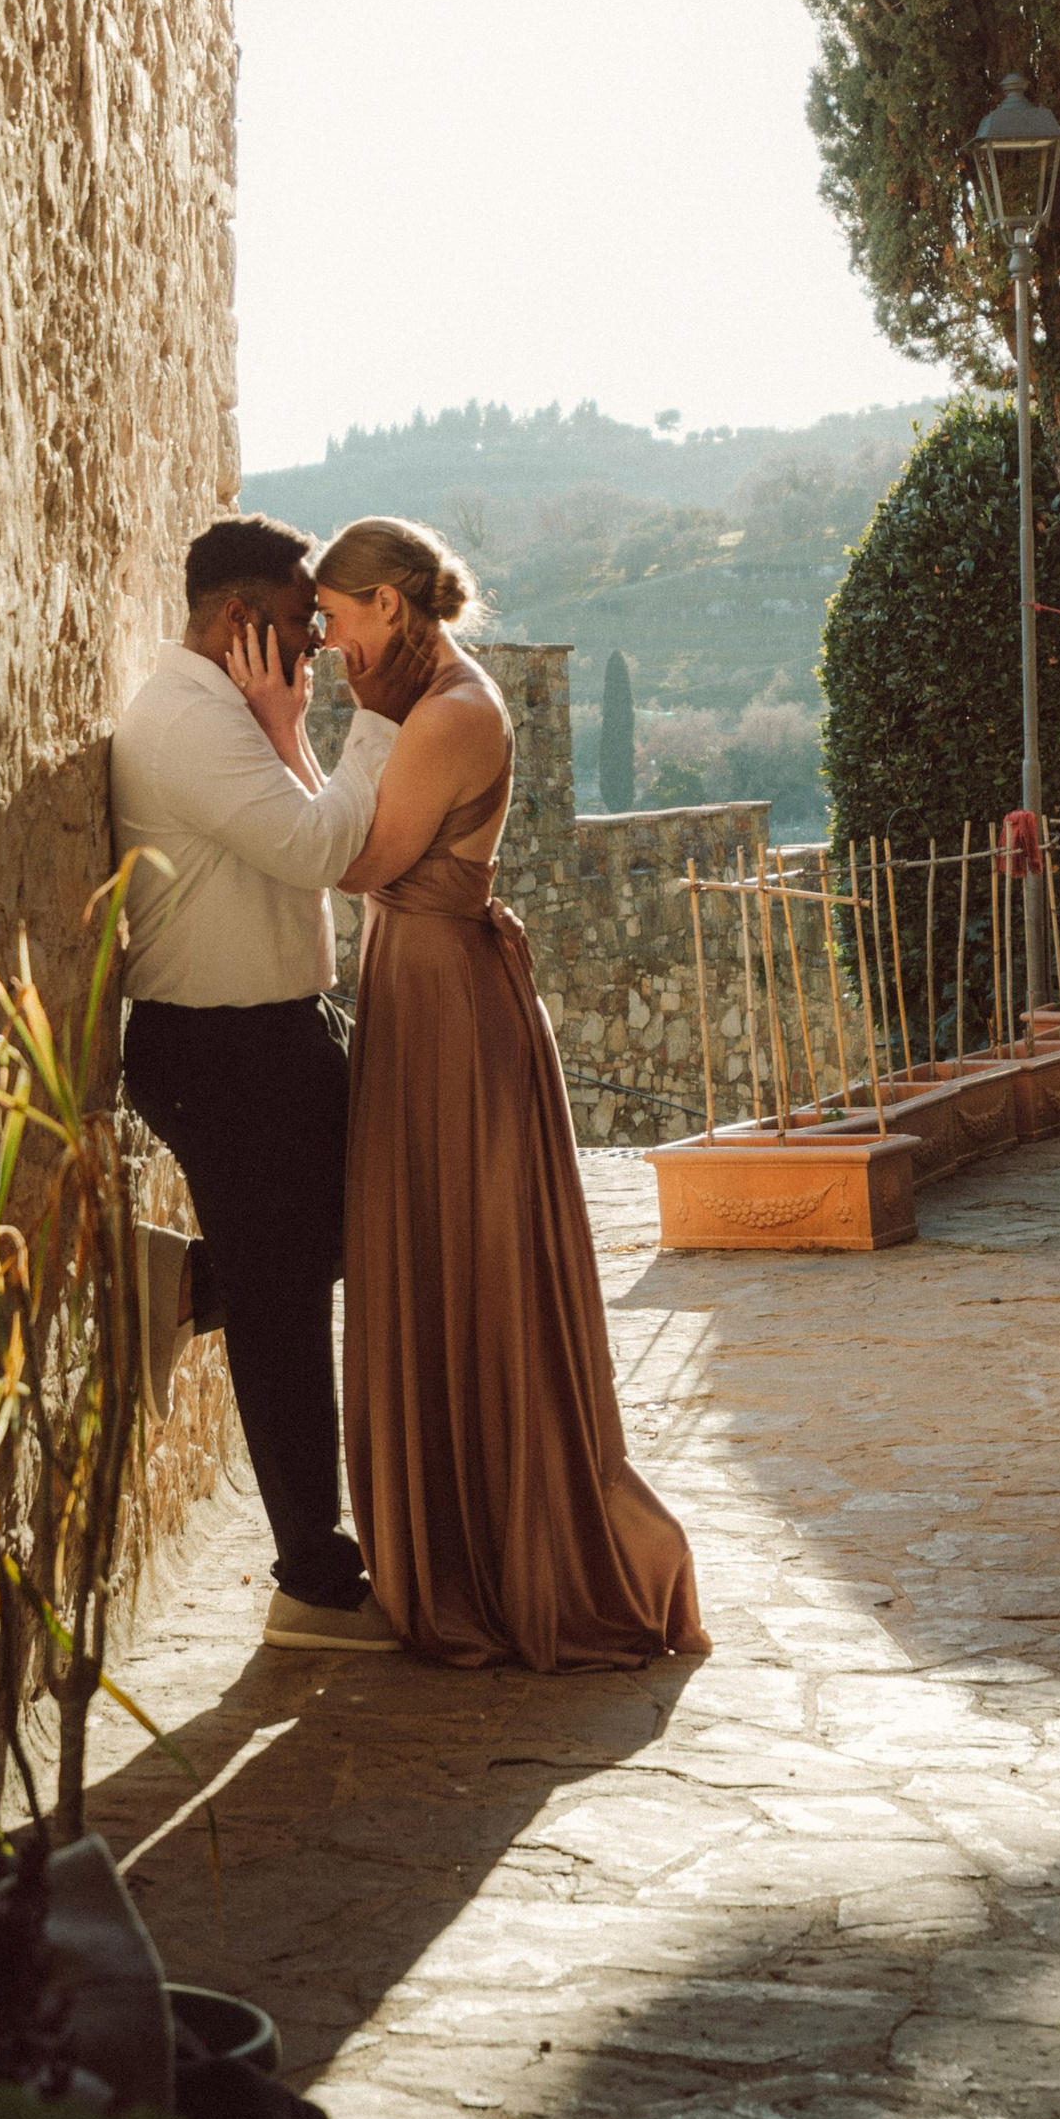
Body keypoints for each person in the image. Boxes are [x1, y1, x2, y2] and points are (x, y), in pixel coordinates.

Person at [230, 513, 707, 1673]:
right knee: (429, 1255)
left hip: (448, 1004)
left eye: (333, 621)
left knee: (465, 1259)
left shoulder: (448, 713)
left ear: (389, 606)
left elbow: (356, 861)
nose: (326, 644)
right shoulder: (428, 703)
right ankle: (453, 1542)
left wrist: (287, 732)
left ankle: (497, 1553)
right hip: (422, 987)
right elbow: (358, 848)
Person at [111, 515, 430, 1653]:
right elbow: (318, 852)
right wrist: (374, 721)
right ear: (240, 620)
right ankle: (312, 1583)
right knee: (287, 1312)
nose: (317, 646)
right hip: (222, 1051)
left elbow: (314, 844)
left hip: (273, 1036)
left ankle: (188, 1284)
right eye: (302, 624)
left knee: (364, 1230)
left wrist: (291, 730)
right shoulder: (186, 724)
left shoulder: (229, 715)